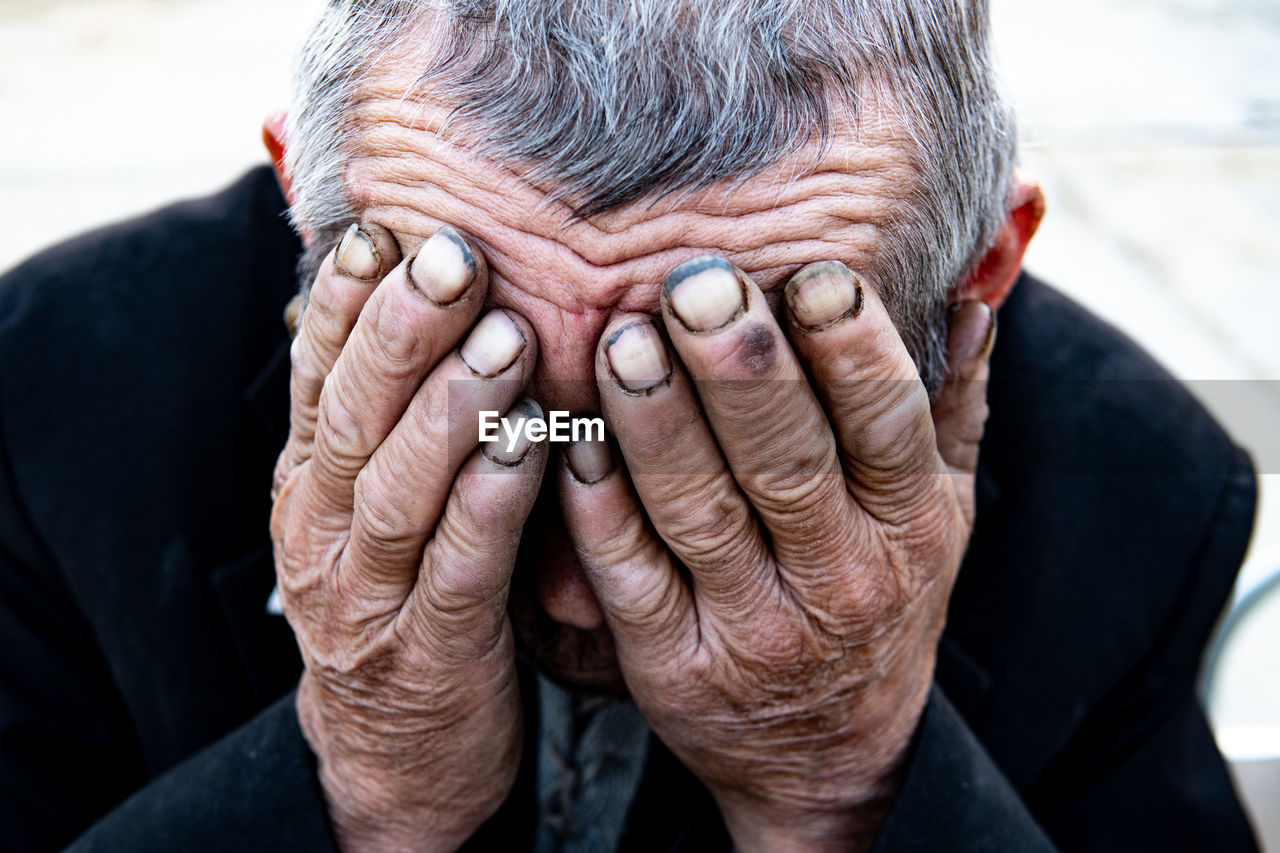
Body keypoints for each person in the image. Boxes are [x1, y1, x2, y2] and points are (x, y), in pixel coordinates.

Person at [0, 1, 1260, 851]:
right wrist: (361, 785)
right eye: (489, 410)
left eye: (724, 427)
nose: (584, 596)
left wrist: (840, 786)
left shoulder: (1133, 494)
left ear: (975, 272)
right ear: (302, 201)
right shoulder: (54, 400)